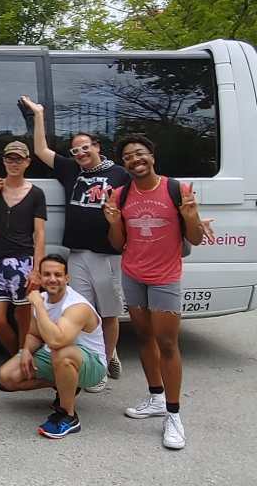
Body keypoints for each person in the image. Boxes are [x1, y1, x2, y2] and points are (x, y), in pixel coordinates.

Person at [19, 95, 129, 392]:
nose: (80, 153)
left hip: (107, 254)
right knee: (80, 310)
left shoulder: (119, 174)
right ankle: (96, 353)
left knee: (108, 312)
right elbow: (41, 150)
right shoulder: (71, 170)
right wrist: (38, 115)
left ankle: (104, 362)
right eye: (75, 149)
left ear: (97, 147)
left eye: (85, 147)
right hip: (78, 253)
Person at [103, 135, 205, 450]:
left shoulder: (177, 190)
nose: (135, 159)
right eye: (128, 156)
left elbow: (196, 238)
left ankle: (173, 415)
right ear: (123, 164)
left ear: (152, 156)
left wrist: (190, 217)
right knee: (144, 338)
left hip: (165, 277)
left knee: (168, 344)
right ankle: (156, 397)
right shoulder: (120, 195)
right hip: (133, 275)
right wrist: (114, 221)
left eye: (140, 153)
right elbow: (117, 244)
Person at [0, 254, 107, 439]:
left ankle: (68, 415)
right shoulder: (42, 298)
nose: (52, 279)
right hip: (56, 356)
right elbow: (34, 334)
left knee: (62, 352)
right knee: (6, 377)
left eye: (58, 274)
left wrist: (39, 306)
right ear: (39, 277)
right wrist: (25, 351)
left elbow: (57, 341)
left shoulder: (76, 306)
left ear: (67, 278)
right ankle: (67, 385)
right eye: (47, 274)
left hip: (91, 364)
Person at [0, 140, 46, 356]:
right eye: (9, 158)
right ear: (4, 161)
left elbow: (40, 234)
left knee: (23, 317)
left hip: (23, 261)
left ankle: (23, 358)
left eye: (19, 159)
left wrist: (37, 270)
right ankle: (16, 356)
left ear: (27, 162)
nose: (14, 163)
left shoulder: (36, 193)